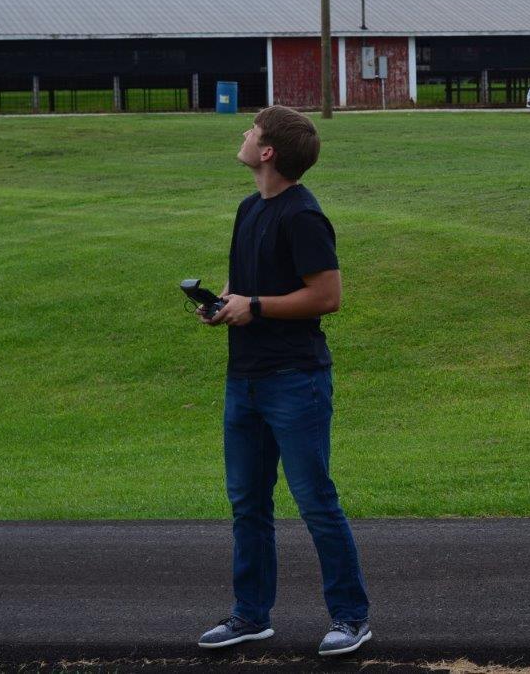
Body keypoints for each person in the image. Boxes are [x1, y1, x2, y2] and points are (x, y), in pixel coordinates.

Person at [195, 105, 371, 656]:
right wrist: (223, 305)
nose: (243, 135)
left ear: (268, 151)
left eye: (252, 131)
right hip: (243, 380)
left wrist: (258, 307)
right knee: (248, 503)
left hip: (296, 381)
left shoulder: (303, 216)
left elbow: (327, 297)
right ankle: (251, 616)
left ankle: (351, 618)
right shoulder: (249, 208)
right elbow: (244, 285)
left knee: (315, 500)